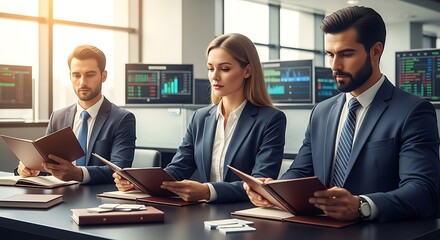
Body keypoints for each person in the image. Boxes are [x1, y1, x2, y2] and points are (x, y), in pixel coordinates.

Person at [244, 6, 440, 222]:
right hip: (317, 231)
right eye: (330, 54)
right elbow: (300, 173)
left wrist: (362, 206)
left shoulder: (412, 111)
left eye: (346, 54)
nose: (335, 65)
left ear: (376, 51)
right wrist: (273, 192)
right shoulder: (322, 112)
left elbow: (423, 191)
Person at [114, 33, 287, 203]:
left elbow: (259, 183)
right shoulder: (201, 117)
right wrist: (139, 183)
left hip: (246, 216)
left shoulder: (271, 120)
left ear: (247, 71)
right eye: (211, 68)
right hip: (204, 215)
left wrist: (208, 191)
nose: (214, 76)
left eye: (225, 69)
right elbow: (178, 168)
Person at [16, 45, 136, 184]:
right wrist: (31, 168)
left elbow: (120, 170)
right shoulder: (58, 117)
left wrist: (79, 174)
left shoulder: (122, 119)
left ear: (103, 76)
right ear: (70, 76)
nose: (82, 82)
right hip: (59, 195)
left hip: (98, 199)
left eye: (90, 75)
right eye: (76, 75)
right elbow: (47, 162)